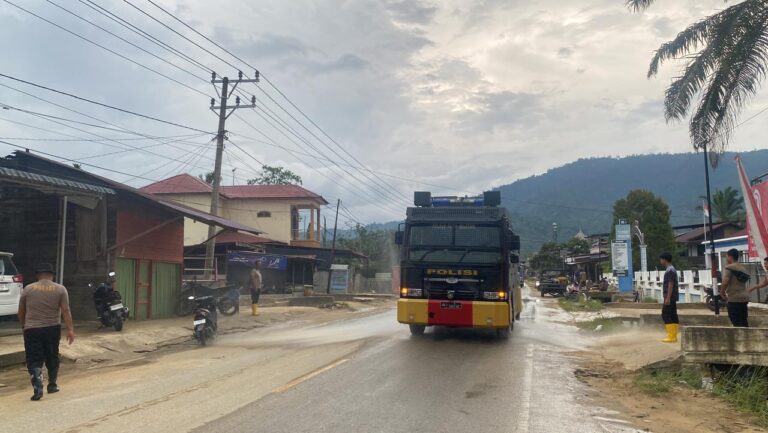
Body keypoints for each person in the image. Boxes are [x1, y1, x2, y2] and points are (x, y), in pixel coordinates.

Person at [17, 263, 75, 401]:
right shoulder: (60, 289)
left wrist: (23, 325)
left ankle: (37, 384)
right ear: (52, 275)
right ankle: (52, 385)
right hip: (52, 328)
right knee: (52, 355)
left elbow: (21, 311)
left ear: (38, 275)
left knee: (33, 358)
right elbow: (65, 310)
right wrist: (70, 329)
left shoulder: (28, 289)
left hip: (32, 329)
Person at [721, 248, 752, 327]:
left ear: (730, 257)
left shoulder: (729, 267)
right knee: (744, 320)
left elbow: (725, 282)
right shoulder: (742, 268)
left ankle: (742, 338)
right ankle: (747, 337)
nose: (727, 258)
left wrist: (722, 293)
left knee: (736, 321)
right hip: (744, 298)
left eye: (727, 256)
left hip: (734, 299)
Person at [659, 253, 679, 343]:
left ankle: (671, 336)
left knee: (665, 314)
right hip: (673, 296)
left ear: (664, 259)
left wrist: (667, 297)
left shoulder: (669, 270)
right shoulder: (672, 269)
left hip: (670, 297)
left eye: (661, 259)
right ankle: (673, 335)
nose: (660, 261)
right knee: (673, 314)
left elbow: (670, 284)